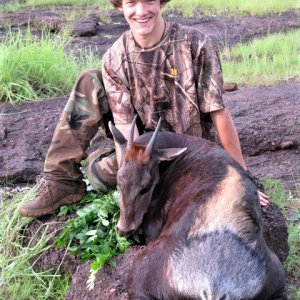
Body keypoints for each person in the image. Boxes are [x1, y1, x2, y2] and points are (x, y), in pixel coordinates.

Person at [19, 0, 269, 217]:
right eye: (131, 3)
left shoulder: (195, 44)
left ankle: (101, 163)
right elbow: (126, 130)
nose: (141, 11)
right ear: (120, 6)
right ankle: (61, 181)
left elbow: (218, 112)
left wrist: (243, 181)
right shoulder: (115, 58)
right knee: (90, 86)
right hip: (142, 153)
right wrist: (130, 189)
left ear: (161, 2)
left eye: (149, 0)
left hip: (187, 152)